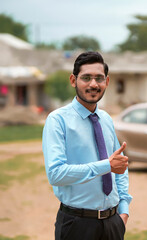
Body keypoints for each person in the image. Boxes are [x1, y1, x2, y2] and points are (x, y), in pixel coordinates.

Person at [42, 51, 132, 240]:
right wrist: (106, 165)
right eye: (86, 78)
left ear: (107, 82)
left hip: (113, 223)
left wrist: (123, 210)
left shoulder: (106, 119)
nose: (93, 84)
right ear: (73, 80)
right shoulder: (57, 120)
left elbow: (120, 167)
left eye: (99, 78)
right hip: (77, 225)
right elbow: (56, 174)